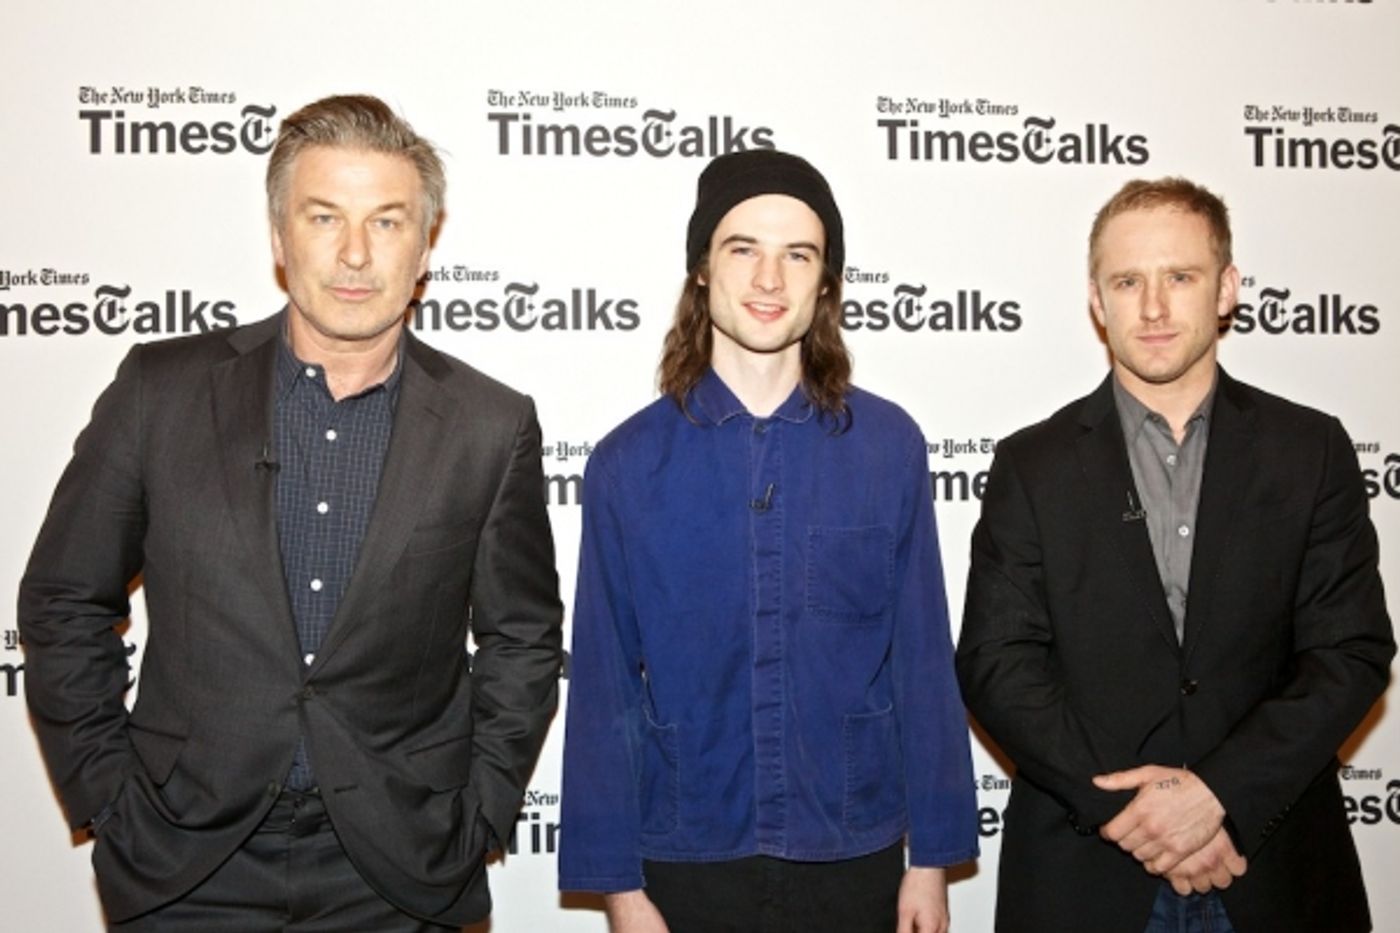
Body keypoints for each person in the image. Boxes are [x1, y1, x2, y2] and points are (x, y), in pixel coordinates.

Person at [18, 94, 563, 931]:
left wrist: (480, 812)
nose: (355, 253)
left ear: (425, 245)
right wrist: (109, 796)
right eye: (324, 217)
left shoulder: (490, 424)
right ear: (279, 237)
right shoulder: (160, 392)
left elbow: (522, 638)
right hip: (183, 862)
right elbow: (63, 598)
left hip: (398, 872)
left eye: (387, 222)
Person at [956, 177, 1394, 933]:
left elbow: (1349, 652)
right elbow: (998, 664)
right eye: (1128, 281)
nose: (1153, 307)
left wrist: (1219, 794)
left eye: (1180, 277)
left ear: (1226, 289)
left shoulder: (1311, 449)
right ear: (1097, 301)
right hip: (1086, 874)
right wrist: (1141, 812)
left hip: (1272, 866)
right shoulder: (1032, 464)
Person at [557, 149, 978, 933]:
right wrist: (619, 890)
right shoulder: (627, 464)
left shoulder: (888, 446)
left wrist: (931, 860)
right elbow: (605, 688)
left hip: (854, 850)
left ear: (826, 282)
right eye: (743, 248)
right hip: (685, 855)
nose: (769, 279)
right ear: (702, 269)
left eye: (799, 254)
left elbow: (923, 659)